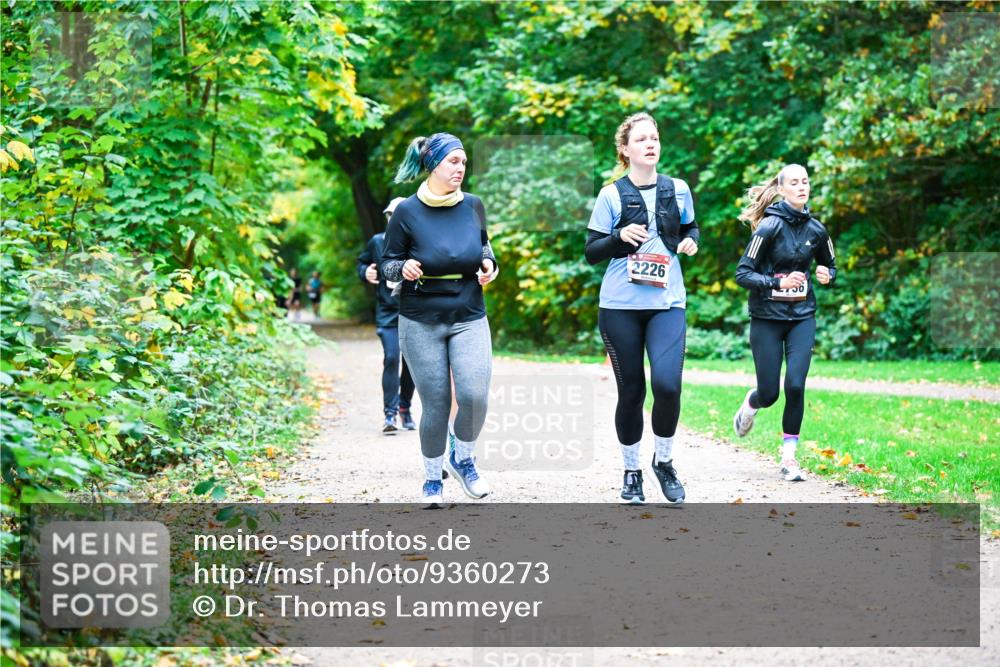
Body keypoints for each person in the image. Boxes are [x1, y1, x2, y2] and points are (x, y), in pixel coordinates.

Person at [584, 112, 699, 505]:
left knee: (667, 385)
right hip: (619, 308)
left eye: (655, 138)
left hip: (668, 304)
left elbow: (690, 228)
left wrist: (690, 242)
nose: (651, 144)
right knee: (631, 392)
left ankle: (663, 463)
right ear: (625, 149)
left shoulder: (678, 189)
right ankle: (631, 471)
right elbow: (591, 252)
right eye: (641, 139)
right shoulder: (611, 195)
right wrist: (618, 237)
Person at [381, 132, 499, 508]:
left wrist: (489, 264)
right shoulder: (407, 211)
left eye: (464, 162)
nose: (460, 168)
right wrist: (405, 267)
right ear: (433, 164)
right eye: (453, 161)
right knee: (435, 403)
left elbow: (485, 246)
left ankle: (463, 457)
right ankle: (433, 480)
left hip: (468, 313)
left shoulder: (474, 206)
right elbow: (387, 262)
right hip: (421, 319)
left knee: (475, 396)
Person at [732, 164, 838, 482]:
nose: (802, 186)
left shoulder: (817, 230)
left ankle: (789, 458)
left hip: (802, 317)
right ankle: (751, 404)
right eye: (794, 182)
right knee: (770, 393)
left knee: (794, 384)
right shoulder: (767, 228)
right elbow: (742, 274)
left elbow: (830, 264)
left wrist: (827, 274)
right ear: (781, 189)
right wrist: (777, 284)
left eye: (805, 181)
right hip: (766, 319)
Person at [357, 197, 417, 434]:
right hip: (387, 312)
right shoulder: (377, 242)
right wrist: (366, 272)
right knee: (392, 357)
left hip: (413, 311)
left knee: (411, 363)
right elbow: (362, 263)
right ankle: (389, 415)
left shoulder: (418, 242)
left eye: (399, 214)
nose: (394, 218)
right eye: (391, 214)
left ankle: (405, 408)